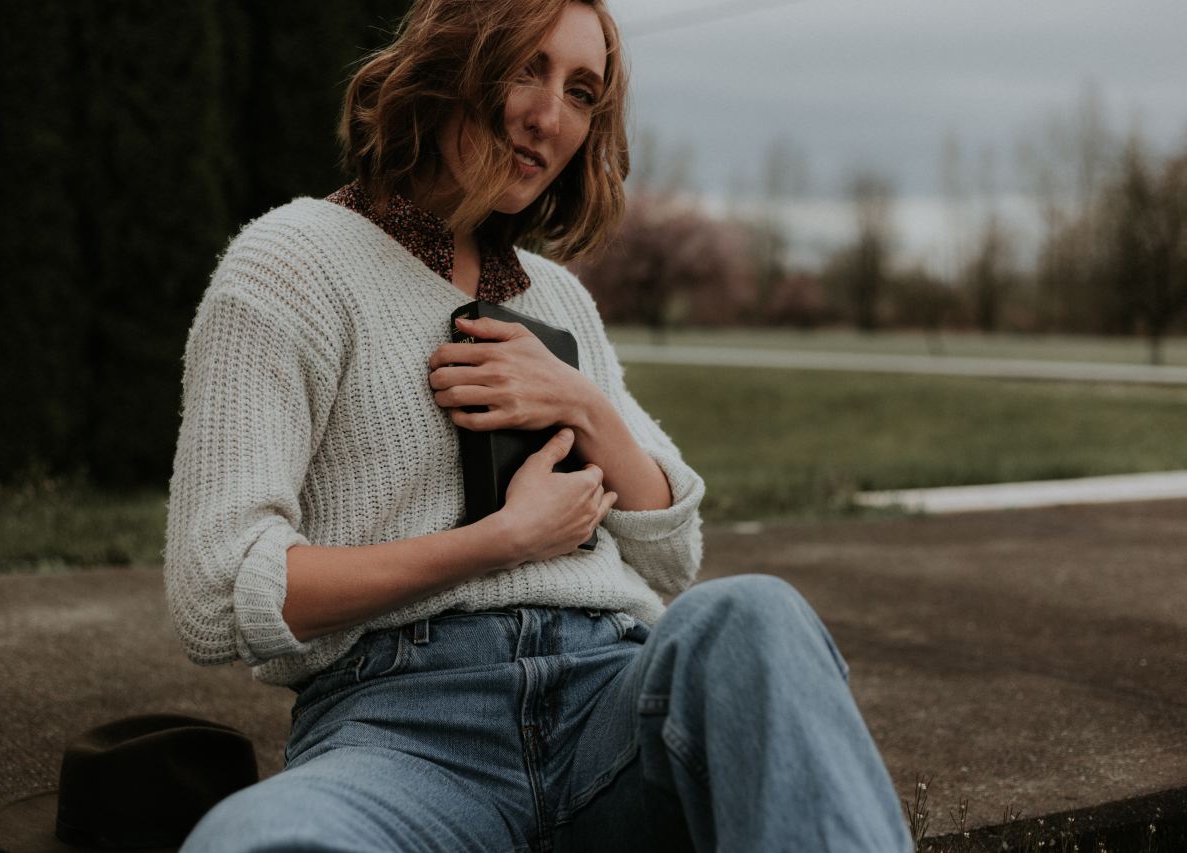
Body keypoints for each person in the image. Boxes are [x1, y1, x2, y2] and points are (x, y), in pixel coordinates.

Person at [163, 0, 913, 850]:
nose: (548, 115)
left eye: (582, 91)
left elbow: (674, 550)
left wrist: (582, 401)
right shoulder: (290, 264)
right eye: (527, 65)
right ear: (449, 61)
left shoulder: (558, 300)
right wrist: (500, 540)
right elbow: (215, 595)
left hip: (612, 708)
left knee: (756, 618)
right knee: (257, 839)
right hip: (403, 736)